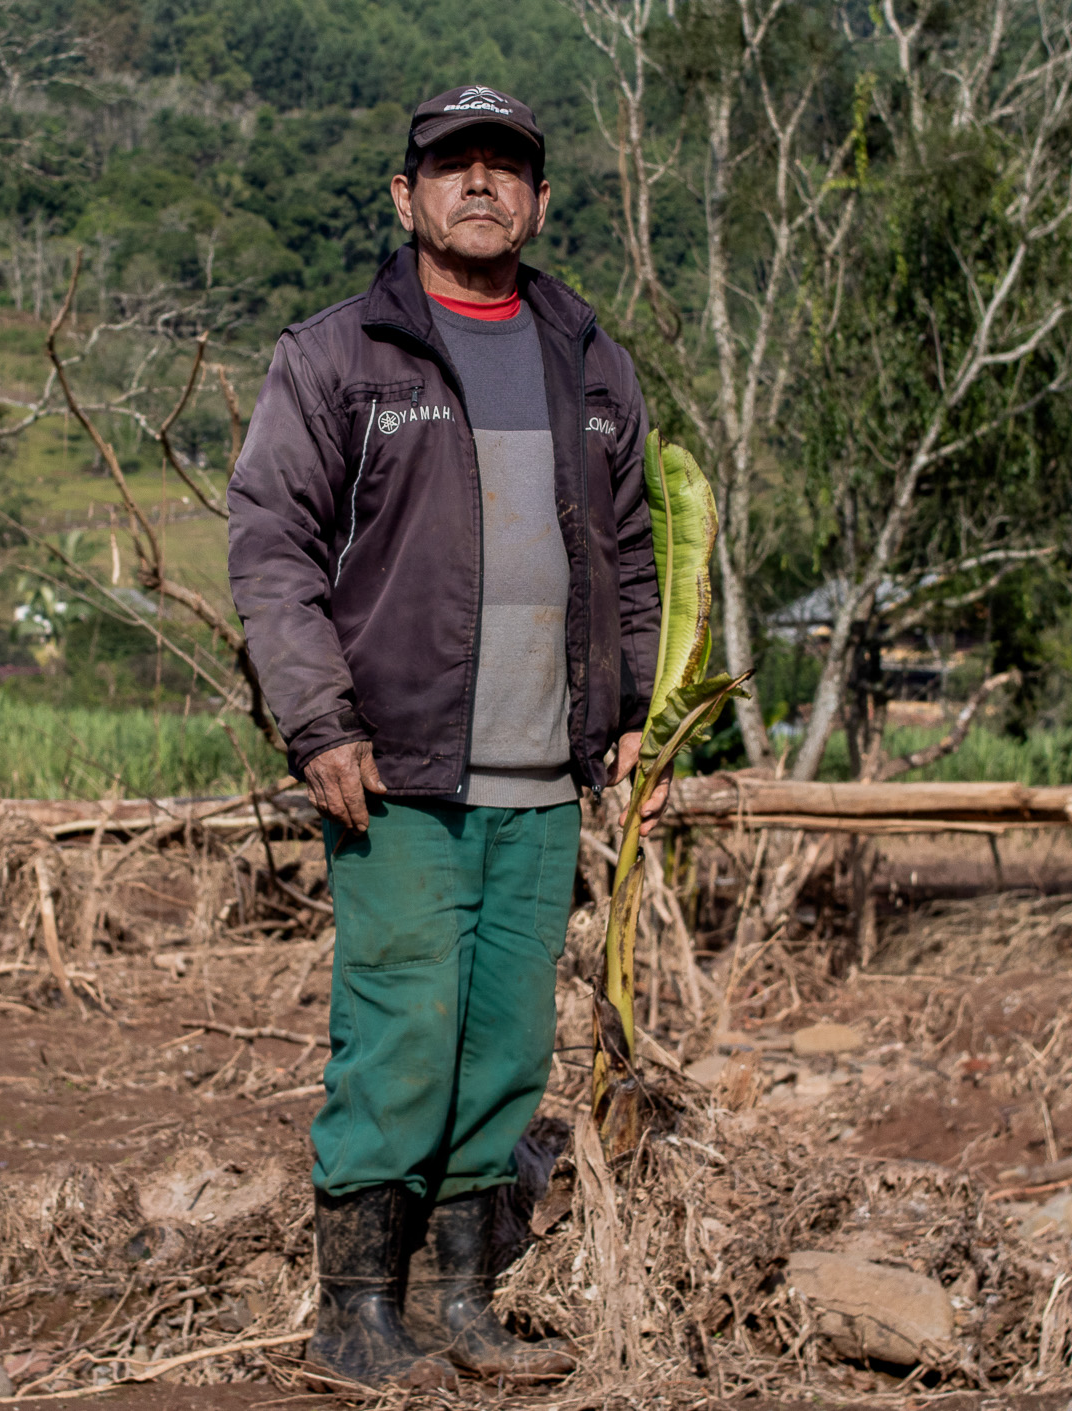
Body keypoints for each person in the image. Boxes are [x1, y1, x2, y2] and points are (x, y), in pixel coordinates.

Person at [227, 84, 664, 1388]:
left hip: (544, 781)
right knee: (403, 1034)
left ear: (537, 199)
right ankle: (354, 1319)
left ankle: (465, 1312)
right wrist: (317, 721)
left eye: (506, 167)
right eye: (451, 165)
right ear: (406, 195)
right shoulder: (339, 357)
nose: (481, 185)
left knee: (507, 1053)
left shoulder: (590, 359)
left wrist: (634, 713)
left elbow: (630, 558)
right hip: (396, 774)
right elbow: (269, 548)